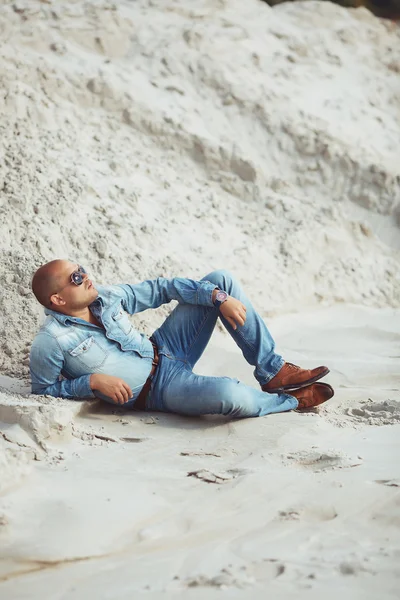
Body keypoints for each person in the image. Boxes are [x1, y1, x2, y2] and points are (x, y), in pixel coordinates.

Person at [29, 260, 334, 418]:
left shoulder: (107, 297)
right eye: (76, 278)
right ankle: (289, 400)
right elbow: (43, 391)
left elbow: (163, 289)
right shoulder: (51, 341)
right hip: (159, 391)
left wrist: (216, 297)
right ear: (57, 298)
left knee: (220, 279)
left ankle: (273, 370)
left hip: (168, 346)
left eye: (81, 270)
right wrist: (92, 381)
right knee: (231, 396)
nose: (86, 277)